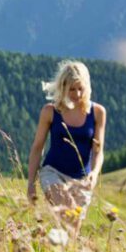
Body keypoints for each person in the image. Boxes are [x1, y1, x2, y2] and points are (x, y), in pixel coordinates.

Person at [26, 60, 107, 233]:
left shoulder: (98, 113)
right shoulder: (50, 111)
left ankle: (50, 251)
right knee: (68, 212)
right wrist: (31, 183)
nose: (77, 94)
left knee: (72, 230)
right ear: (63, 87)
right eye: (72, 89)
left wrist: (94, 173)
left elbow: (98, 151)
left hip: (82, 180)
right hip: (53, 172)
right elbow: (37, 148)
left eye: (80, 88)